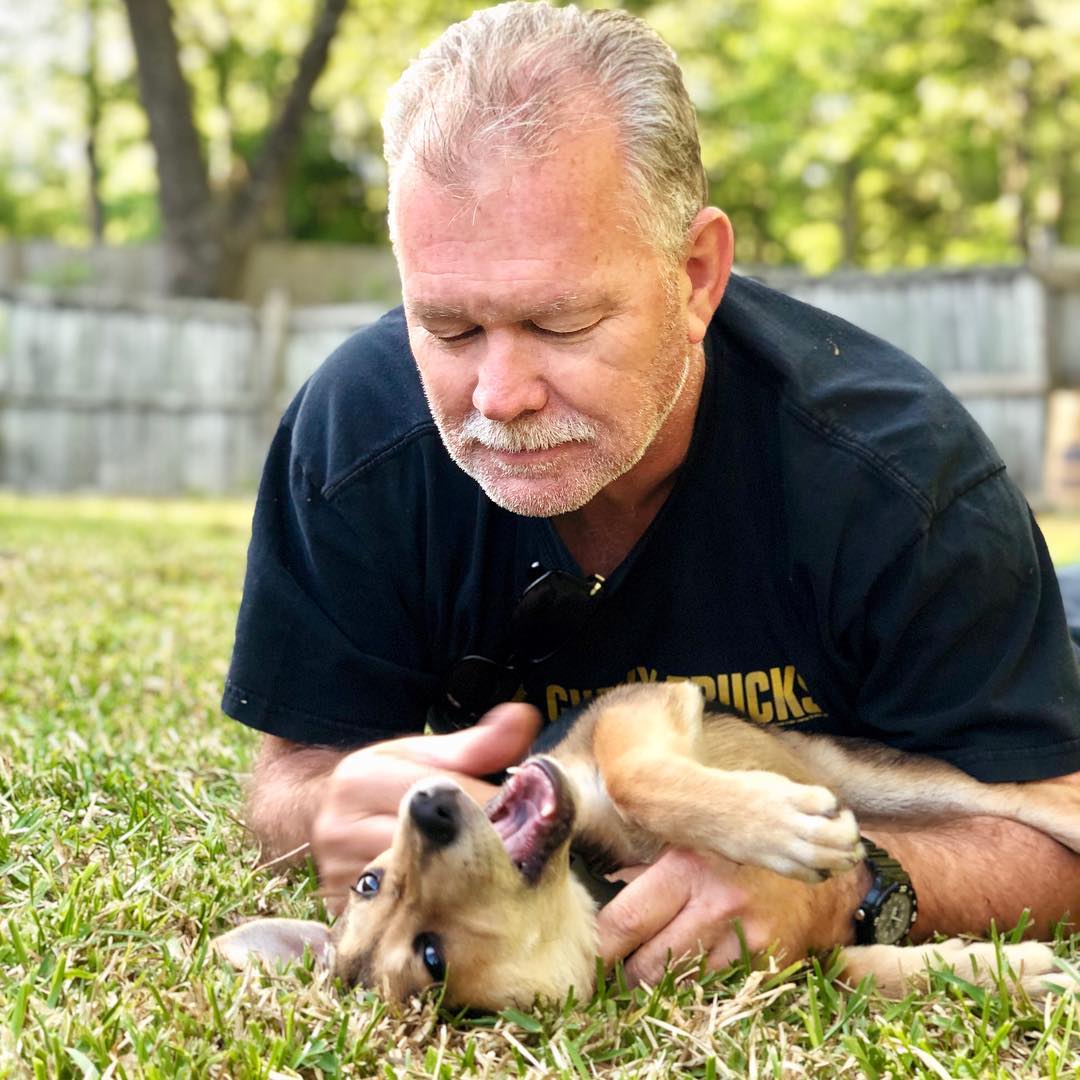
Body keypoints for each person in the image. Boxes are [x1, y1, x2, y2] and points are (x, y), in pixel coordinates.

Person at [223, 1, 1080, 987]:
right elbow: (287, 772)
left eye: (563, 321)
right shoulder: (356, 443)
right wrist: (330, 801)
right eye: (450, 330)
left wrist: (851, 885)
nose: (498, 396)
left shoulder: (899, 478)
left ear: (697, 276)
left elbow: (1058, 826)